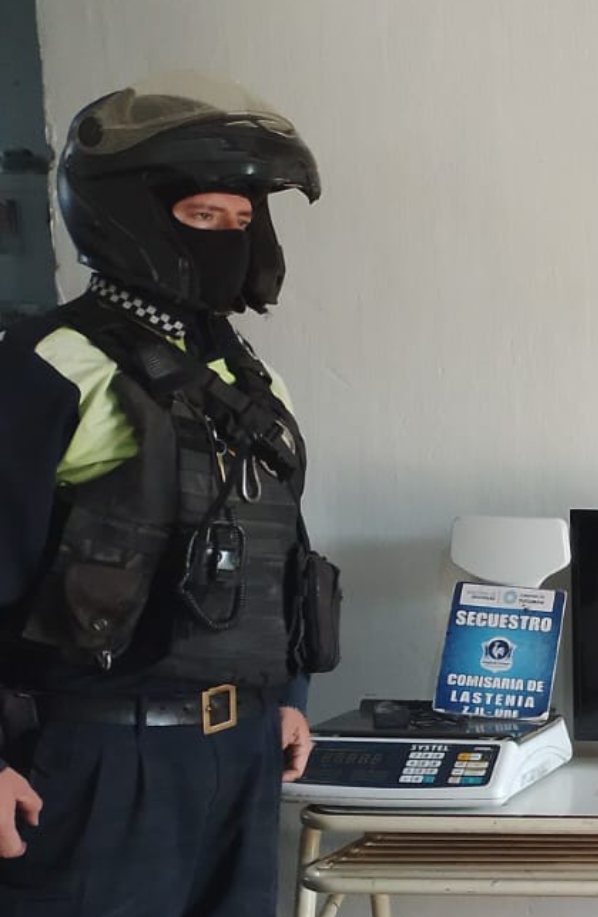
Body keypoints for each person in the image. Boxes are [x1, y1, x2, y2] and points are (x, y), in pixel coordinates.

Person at [0, 72, 339, 917]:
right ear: (129, 218)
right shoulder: (47, 365)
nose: (228, 237)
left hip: (243, 754)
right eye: (203, 215)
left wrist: (285, 700)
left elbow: (278, 557)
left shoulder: (253, 380)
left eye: (241, 220)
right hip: (96, 761)